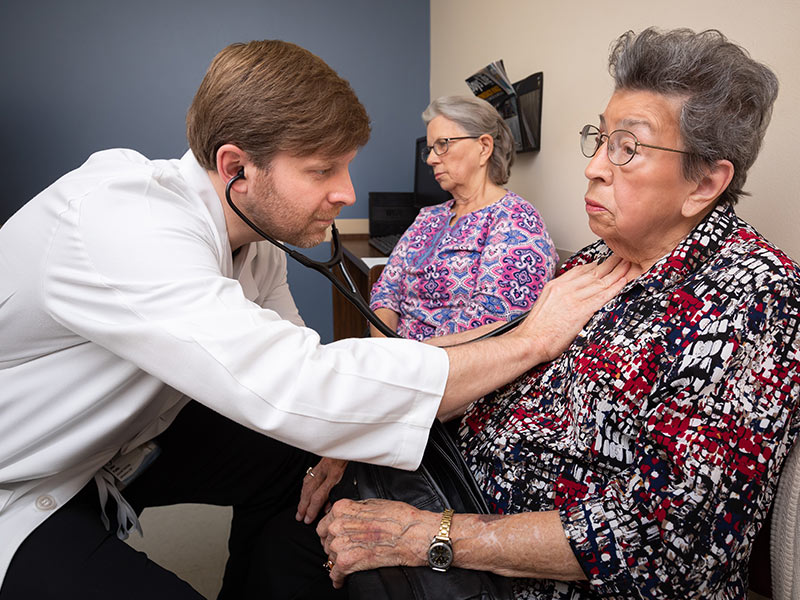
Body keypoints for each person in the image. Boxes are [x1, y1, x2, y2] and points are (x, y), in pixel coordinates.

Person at [0, 39, 630, 599]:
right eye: (322, 170)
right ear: (235, 167)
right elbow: (298, 383)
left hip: (120, 438)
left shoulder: (258, 242)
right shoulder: (126, 225)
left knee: (297, 464)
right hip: (24, 477)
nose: (348, 192)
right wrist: (531, 342)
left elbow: (295, 361)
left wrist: (334, 430)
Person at [318, 28, 800, 599]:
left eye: (628, 147)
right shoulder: (603, 256)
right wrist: (370, 416)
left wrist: (430, 534)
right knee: (297, 521)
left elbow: (666, 539)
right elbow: (507, 346)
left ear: (706, 183)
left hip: (511, 561)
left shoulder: (755, 296)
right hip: (452, 475)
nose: (594, 167)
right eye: (600, 138)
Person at [370, 95, 557, 341]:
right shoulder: (429, 217)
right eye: (430, 148)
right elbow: (386, 291)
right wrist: (383, 353)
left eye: (443, 145)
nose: (430, 159)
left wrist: (410, 363)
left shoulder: (516, 220)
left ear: (484, 147)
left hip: (448, 368)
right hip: (395, 359)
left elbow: (493, 320)